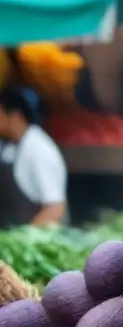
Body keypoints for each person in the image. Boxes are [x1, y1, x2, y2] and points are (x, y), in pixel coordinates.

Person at [0, 88, 67, 227]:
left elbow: (55, 208)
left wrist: (22, 239)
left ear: (15, 116)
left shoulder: (39, 150)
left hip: (37, 239)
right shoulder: (9, 145)